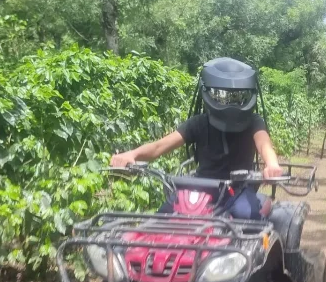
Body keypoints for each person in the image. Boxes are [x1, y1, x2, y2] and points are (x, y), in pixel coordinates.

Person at [110, 57, 284, 219]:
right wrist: (131, 155)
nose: (230, 103)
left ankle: (258, 241)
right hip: (201, 188)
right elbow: (159, 147)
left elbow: (264, 145)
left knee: (247, 216)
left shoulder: (254, 121)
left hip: (238, 189)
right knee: (161, 219)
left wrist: (272, 164)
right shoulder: (198, 123)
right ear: (208, 92)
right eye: (221, 96)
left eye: (239, 97)